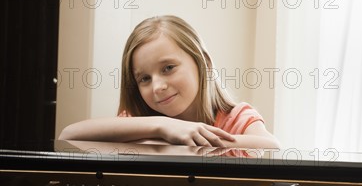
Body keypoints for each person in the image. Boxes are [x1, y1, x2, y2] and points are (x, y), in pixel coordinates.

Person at [59, 15, 280, 149]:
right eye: (144, 78)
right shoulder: (140, 120)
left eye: (168, 68)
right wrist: (164, 126)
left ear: (204, 64)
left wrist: (184, 141)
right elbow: (68, 134)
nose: (157, 86)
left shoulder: (235, 118)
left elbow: (271, 147)